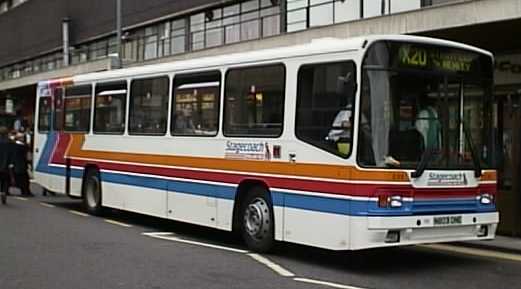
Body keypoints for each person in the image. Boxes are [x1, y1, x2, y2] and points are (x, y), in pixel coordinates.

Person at [11, 132, 33, 197]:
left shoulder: (14, 145)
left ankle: (24, 191)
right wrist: (29, 162)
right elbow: (28, 156)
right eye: (22, 137)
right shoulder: (24, 146)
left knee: (21, 179)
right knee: (25, 179)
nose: (23, 138)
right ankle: (25, 191)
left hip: (17, 164)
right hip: (22, 164)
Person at [0, 126, 13, 203]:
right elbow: (11, 153)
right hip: (6, 163)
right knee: (5, 180)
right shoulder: (10, 142)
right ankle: (4, 191)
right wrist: (11, 163)